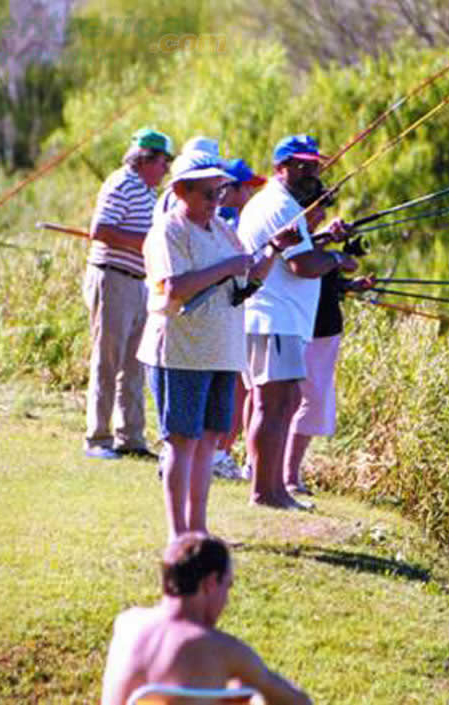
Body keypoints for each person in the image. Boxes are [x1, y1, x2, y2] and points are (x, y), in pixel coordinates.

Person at [137, 149, 297, 540]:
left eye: (219, 193)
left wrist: (273, 250)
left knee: (208, 442)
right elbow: (173, 287)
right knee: (181, 441)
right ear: (180, 191)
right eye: (207, 194)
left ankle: (200, 529)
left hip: (223, 350)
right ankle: (179, 535)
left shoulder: (223, 229)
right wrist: (227, 268)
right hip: (179, 351)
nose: (215, 202)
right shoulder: (168, 230)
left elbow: (246, 282)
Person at [237, 135, 357, 509]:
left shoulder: (285, 206)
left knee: (283, 402)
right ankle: (265, 492)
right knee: (272, 405)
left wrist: (322, 244)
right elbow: (302, 265)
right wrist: (338, 260)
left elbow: (301, 252)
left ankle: (274, 489)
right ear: (280, 167)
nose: (310, 172)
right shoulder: (281, 206)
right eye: (301, 165)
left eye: (314, 166)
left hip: (279, 319)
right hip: (275, 318)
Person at [100, 532, 312, 705]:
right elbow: (297, 701)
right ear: (211, 582)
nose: (226, 600)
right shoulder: (223, 650)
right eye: (227, 586)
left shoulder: (127, 623)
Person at [83, 128, 174, 460]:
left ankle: (131, 437)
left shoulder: (148, 191)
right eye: (165, 161)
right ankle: (98, 438)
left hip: (139, 282)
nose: (166, 169)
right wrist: (147, 244)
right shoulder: (122, 184)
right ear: (146, 159)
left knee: (134, 363)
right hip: (114, 279)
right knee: (107, 360)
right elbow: (101, 231)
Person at [284, 177, 374, 494]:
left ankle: (286, 474)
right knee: (308, 400)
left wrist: (351, 286)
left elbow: (324, 281)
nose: (322, 215)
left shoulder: (308, 239)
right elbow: (307, 269)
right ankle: (289, 477)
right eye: (318, 208)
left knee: (309, 399)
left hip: (323, 326)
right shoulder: (298, 238)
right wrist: (337, 257)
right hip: (314, 329)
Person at [210, 158, 268, 480]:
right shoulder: (222, 222)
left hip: (237, 312)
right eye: (246, 187)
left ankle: (224, 454)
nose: (249, 195)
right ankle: (218, 454)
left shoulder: (235, 219)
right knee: (235, 389)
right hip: (225, 314)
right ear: (228, 188)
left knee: (240, 389)